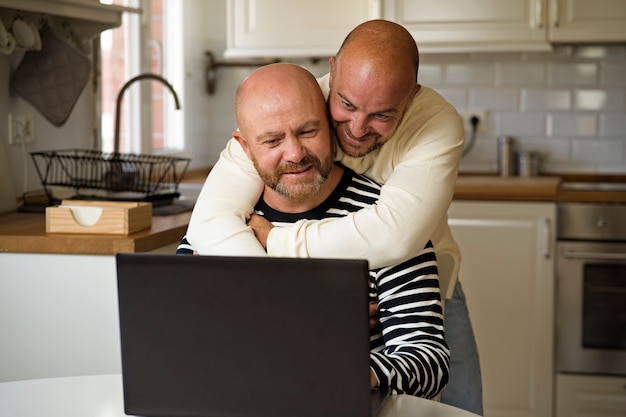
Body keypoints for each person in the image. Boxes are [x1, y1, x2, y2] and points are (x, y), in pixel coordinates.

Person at [185, 20, 483, 415]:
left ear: (410, 98)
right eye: (345, 105)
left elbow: (396, 237)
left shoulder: (435, 125)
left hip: (419, 277)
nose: (357, 128)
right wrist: (315, 307)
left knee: (461, 408)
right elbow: (204, 239)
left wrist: (275, 244)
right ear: (332, 77)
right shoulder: (292, 104)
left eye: (382, 114)